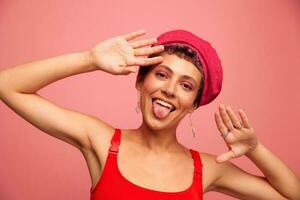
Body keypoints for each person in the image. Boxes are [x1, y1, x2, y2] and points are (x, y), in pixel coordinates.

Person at [0, 29, 299, 200]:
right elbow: (7, 86)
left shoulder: (206, 168)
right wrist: (88, 59)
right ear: (140, 81)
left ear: (194, 103)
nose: (169, 90)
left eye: (185, 85)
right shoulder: (102, 142)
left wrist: (255, 150)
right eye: (161, 74)